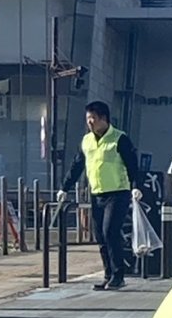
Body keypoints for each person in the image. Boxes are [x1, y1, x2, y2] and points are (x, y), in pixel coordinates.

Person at [59, 101, 143, 291]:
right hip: (97, 193)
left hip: (118, 193)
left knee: (110, 231)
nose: (90, 122)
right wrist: (65, 188)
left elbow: (132, 165)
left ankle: (118, 275)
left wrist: (136, 186)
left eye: (93, 118)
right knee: (100, 236)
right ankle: (108, 274)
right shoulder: (86, 141)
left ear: (104, 118)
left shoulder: (119, 138)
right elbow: (77, 165)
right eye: (88, 119)